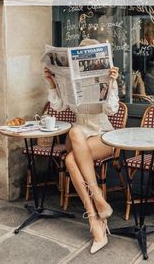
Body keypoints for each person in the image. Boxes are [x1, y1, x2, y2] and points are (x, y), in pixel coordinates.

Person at [44, 38, 119, 254]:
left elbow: (112, 110)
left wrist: (112, 83)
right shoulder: (72, 81)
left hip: (103, 136)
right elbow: (57, 106)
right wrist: (52, 82)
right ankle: (97, 203)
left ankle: (95, 219)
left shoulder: (108, 77)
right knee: (76, 131)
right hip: (79, 137)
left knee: (69, 158)